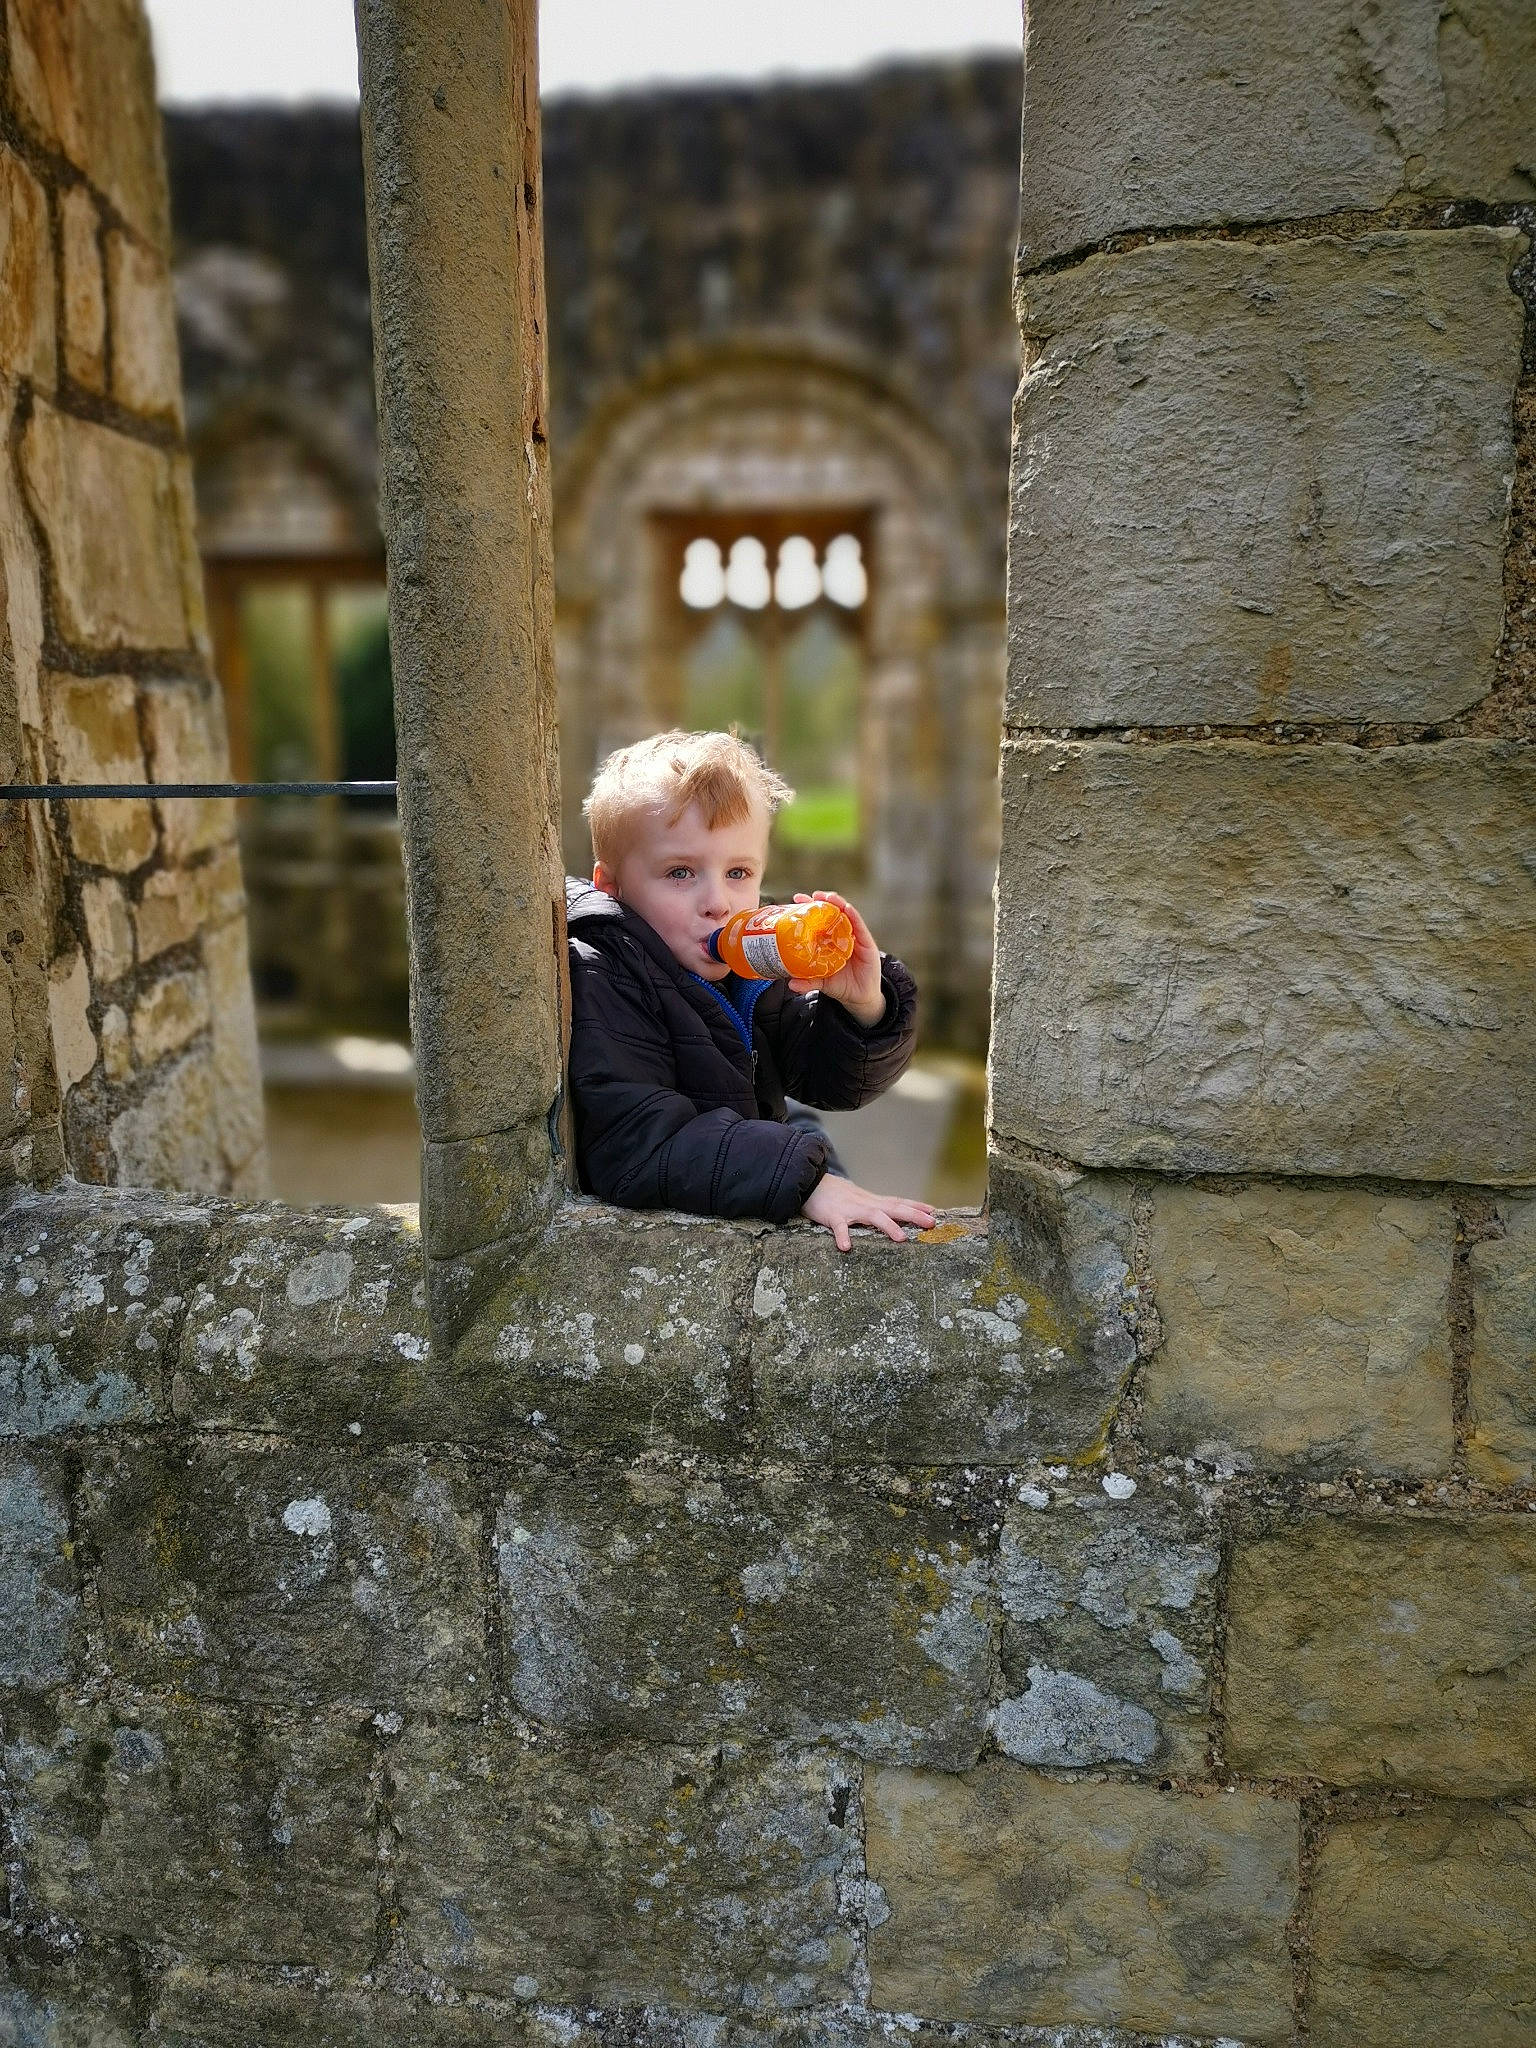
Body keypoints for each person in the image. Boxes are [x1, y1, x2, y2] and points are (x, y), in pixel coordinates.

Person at [565, 729, 937, 1249]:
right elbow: (637, 1145)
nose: (719, 902)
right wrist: (807, 1181)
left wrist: (864, 1007)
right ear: (612, 886)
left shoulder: (749, 972)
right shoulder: (606, 972)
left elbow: (827, 1082)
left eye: (738, 872)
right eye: (680, 872)